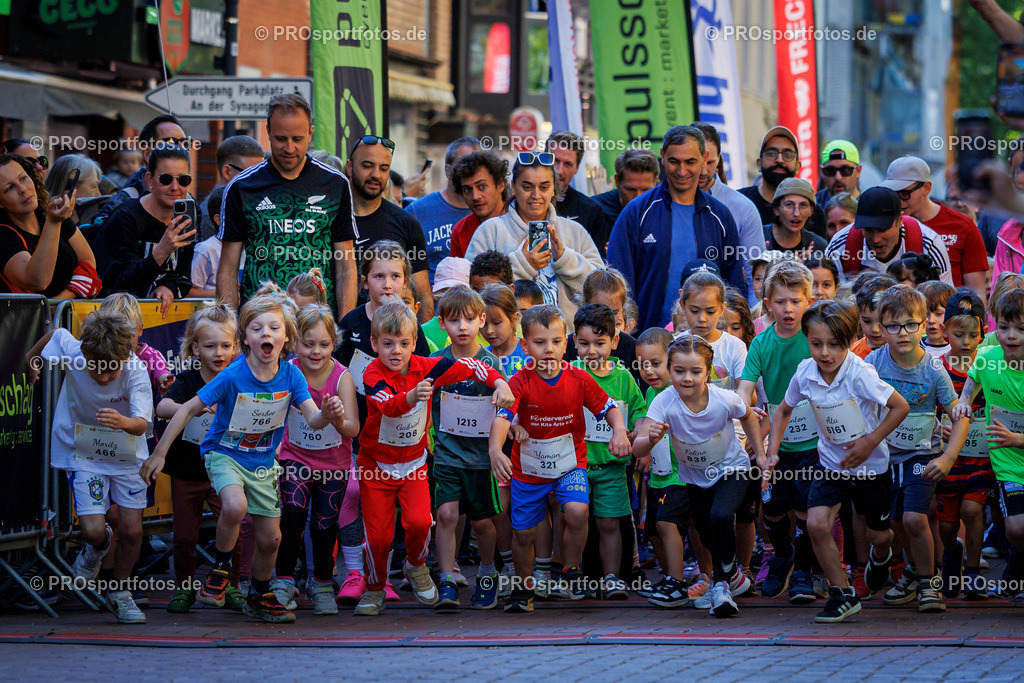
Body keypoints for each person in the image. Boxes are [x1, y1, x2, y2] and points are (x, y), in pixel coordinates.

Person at [142, 287, 344, 623]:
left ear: (287, 337)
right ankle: (220, 571)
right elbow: (187, 409)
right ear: (245, 340)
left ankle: (259, 595)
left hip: (262, 463)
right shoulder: (233, 374)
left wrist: (329, 412)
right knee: (235, 506)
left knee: (272, 537)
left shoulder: (292, 375)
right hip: (224, 454)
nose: (267, 333)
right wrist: (160, 453)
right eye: (257, 328)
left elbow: (313, 419)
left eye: (275, 328)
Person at [355, 301, 513, 615]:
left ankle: (416, 565)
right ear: (374, 344)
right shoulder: (371, 372)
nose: (396, 351)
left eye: (403, 343)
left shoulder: (426, 366)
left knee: (418, 522)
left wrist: (499, 381)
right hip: (376, 466)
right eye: (387, 344)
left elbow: (470, 366)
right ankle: (374, 589)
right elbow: (387, 405)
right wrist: (413, 396)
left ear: (415, 343)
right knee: (379, 537)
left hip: (413, 464)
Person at [769, 300, 910, 623]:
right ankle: (841, 593)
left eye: (834, 345)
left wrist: (870, 442)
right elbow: (783, 411)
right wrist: (772, 452)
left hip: (871, 468)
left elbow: (899, 407)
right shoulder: (805, 372)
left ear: (848, 342)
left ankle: (882, 554)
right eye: (816, 344)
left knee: (877, 535)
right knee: (817, 523)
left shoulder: (860, 374)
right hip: (831, 464)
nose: (825, 353)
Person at [488, 304, 630, 612]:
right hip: (529, 470)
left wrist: (619, 431)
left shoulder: (578, 378)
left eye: (555, 341)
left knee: (578, 512)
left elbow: (609, 407)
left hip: (570, 464)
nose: (549, 349)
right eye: (540, 343)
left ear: (565, 343)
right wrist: (495, 450)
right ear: (525, 345)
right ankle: (523, 591)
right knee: (524, 533)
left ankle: (570, 569)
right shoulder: (520, 381)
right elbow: (502, 417)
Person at [25, 310, 152, 623]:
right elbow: (55, 335)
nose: (106, 378)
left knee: (133, 529)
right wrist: (32, 358)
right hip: (85, 453)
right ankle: (97, 547)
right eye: (98, 370)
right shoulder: (76, 352)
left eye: (112, 371)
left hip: (126, 456)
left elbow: (142, 423)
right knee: (93, 529)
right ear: (85, 354)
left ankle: (122, 594)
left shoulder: (135, 370)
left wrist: (123, 421)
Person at [635, 333, 765, 617]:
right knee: (706, 532)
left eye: (696, 372)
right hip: (695, 477)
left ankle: (721, 586)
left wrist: (762, 455)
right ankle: (733, 577)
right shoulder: (663, 402)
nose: (687, 378)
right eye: (679, 371)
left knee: (721, 516)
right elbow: (637, 447)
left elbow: (748, 415)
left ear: (708, 373)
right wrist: (650, 439)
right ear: (669, 370)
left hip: (733, 468)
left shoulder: (723, 398)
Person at [866, 286, 967, 613]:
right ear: (881, 328)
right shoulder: (873, 363)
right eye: (893, 326)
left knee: (913, 518)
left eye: (911, 325)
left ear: (924, 326)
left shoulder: (933, 369)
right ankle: (913, 570)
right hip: (883, 458)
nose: (903, 333)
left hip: (922, 455)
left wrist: (948, 456)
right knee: (896, 523)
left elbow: (959, 413)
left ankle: (929, 581)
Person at [217, 94, 358, 317]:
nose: (289, 148)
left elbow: (346, 265)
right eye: (281, 139)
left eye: (297, 139)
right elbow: (227, 268)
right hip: (260, 321)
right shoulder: (242, 186)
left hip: (316, 322)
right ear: (268, 132)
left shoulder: (335, 183)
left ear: (310, 133)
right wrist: (230, 326)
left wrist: (345, 326)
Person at [608, 125, 747, 330]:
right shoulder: (637, 212)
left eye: (690, 162)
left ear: (704, 158)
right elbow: (617, 284)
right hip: (648, 343)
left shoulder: (720, 217)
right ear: (662, 157)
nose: (682, 171)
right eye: (674, 162)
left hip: (707, 344)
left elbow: (734, 289)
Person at [737, 261, 820, 602]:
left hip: (816, 441)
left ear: (809, 301)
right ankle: (782, 554)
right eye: (781, 301)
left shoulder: (816, 337)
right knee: (771, 506)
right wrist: (742, 405)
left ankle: (802, 569)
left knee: (805, 507)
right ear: (767, 304)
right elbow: (745, 388)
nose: (788, 309)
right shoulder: (761, 343)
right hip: (777, 442)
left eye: (795, 301)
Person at [272, 304, 360, 616]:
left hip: (334, 465)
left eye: (323, 344)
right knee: (292, 515)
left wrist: (336, 419)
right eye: (308, 344)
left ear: (334, 343)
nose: (315, 351)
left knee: (324, 525)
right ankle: (282, 580)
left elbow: (353, 427)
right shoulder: (288, 370)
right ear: (295, 343)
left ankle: (322, 581)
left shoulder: (342, 376)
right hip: (295, 457)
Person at [157, 304, 245, 613]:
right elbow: (162, 408)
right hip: (187, 471)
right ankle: (184, 587)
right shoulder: (189, 379)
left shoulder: (238, 378)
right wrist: (191, 407)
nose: (219, 353)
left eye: (225, 345)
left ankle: (230, 585)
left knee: (234, 526)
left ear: (235, 346)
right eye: (210, 346)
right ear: (195, 347)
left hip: (225, 470)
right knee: (184, 536)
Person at [430, 287, 507, 611]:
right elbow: (422, 401)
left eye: (469, 319)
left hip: (480, 459)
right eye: (453, 320)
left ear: (481, 320)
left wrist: (503, 393)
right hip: (447, 454)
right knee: (446, 514)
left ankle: (488, 574)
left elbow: (506, 405)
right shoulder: (435, 363)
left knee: (481, 522)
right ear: (442, 323)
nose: (462, 326)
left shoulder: (490, 362)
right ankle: (446, 578)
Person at [465, 152, 602, 328]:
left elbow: (602, 290)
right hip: (508, 346)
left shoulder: (575, 231)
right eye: (527, 187)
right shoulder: (491, 231)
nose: (536, 195)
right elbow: (471, 293)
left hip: (568, 345)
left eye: (544, 187)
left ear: (554, 188)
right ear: (513, 187)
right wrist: (522, 265)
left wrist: (565, 260)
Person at [571, 304, 646, 600]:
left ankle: (613, 577)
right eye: (584, 343)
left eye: (600, 343)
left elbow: (639, 411)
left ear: (615, 342)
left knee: (608, 523)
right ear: (574, 341)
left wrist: (637, 431)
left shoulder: (624, 378)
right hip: (573, 467)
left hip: (613, 468)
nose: (592, 351)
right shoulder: (569, 373)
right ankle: (574, 574)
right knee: (574, 521)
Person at [955, 289, 1024, 606]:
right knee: (1017, 528)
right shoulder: (986, 356)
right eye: (1005, 327)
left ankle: (1015, 573)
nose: (1011, 336)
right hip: (1009, 465)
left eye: (1021, 329)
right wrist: (962, 404)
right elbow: (971, 385)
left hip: (1016, 445)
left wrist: (1017, 438)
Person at [93, 144, 201, 311]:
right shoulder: (127, 216)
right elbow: (121, 284)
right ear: (150, 180)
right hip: (117, 317)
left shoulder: (188, 214)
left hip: (158, 320)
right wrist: (161, 251)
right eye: (166, 179)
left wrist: (169, 287)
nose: (175, 187)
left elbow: (183, 276)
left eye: (183, 180)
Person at [935, 290, 992, 600]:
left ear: (983, 334)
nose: (967, 342)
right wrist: (937, 428)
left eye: (974, 334)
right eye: (959, 334)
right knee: (947, 525)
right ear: (945, 332)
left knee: (973, 510)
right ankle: (950, 553)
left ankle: (972, 573)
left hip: (979, 459)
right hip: (948, 460)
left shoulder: (988, 367)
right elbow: (925, 409)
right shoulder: (936, 368)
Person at [346, 135, 433, 322]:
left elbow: (422, 295)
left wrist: (422, 343)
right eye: (367, 166)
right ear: (349, 167)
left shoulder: (405, 223)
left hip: (394, 339)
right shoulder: (331, 218)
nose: (376, 175)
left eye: (383, 168)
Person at [633, 328, 691, 607]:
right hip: (657, 476)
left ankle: (678, 583)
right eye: (642, 365)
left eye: (655, 364)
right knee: (654, 530)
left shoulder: (678, 392)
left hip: (680, 476)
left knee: (668, 525)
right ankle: (669, 578)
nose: (648, 371)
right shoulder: (650, 392)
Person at [881, 156, 987, 298]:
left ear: (926, 188)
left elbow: (977, 292)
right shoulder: (882, 226)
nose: (899, 200)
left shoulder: (963, 226)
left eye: (905, 194)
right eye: (893, 194)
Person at [0, 153, 100, 298]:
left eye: (23, 178)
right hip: (36, 321)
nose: (22, 189)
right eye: (9, 188)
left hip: (71, 317)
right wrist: (53, 222)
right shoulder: (4, 236)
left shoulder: (52, 213)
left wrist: (62, 301)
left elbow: (88, 261)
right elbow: (37, 280)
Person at [693, 122, 766, 307]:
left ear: (719, 159)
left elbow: (755, 277)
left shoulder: (743, 208)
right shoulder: (661, 206)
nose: (703, 171)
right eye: (698, 162)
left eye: (710, 163)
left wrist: (751, 321)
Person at [825, 186, 953, 285]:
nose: (876, 239)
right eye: (868, 230)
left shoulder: (929, 244)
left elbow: (943, 303)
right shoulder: (840, 246)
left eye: (883, 229)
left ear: (900, 220)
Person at [89, 115, 190, 229]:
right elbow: (99, 231)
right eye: (171, 142)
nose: (182, 149)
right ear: (147, 153)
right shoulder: (127, 199)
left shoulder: (188, 200)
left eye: (185, 143)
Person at [405, 137, 480, 280]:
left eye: (477, 167)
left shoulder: (488, 211)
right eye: (464, 165)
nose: (471, 173)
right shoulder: (418, 211)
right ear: (447, 170)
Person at [739, 126, 828, 237]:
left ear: (797, 166)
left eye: (787, 155)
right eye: (771, 153)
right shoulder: (740, 202)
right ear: (759, 164)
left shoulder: (813, 212)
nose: (779, 160)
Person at [545, 131, 608, 253]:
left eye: (567, 164)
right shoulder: (527, 203)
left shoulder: (591, 210)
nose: (559, 171)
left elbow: (596, 266)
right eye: (555, 161)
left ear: (577, 168)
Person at [591, 148, 660, 258]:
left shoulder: (665, 209)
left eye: (645, 190)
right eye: (630, 189)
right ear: (617, 181)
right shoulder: (595, 210)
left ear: (655, 182)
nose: (638, 197)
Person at [197, 136, 266, 242]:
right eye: (250, 174)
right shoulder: (207, 217)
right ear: (227, 172)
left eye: (261, 173)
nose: (258, 181)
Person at [449, 151, 509, 259]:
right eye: (467, 189)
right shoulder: (460, 231)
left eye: (482, 187)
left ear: (500, 184)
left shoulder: (522, 218)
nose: (475, 196)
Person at [764, 178, 829, 258]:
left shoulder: (819, 247)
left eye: (803, 205)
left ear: (810, 211)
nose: (796, 213)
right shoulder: (758, 239)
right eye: (789, 205)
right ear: (776, 209)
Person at [191, 185, 228, 297]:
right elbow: (190, 292)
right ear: (218, 219)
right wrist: (221, 293)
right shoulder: (206, 249)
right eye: (235, 212)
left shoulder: (249, 247)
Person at [851, 274, 898, 359]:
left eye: (881, 321)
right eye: (867, 321)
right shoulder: (853, 354)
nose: (875, 329)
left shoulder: (906, 349)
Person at [816, 140, 862, 205]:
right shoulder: (811, 207)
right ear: (822, 172)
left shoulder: (869, 208)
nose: (838, 177)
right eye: (830, 170)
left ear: (858, 171)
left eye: (845, 170)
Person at [919, 281, 955, 358]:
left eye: (938, 314)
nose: (931, 320)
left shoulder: (958, 349)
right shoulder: (914, 349)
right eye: (926, 314)